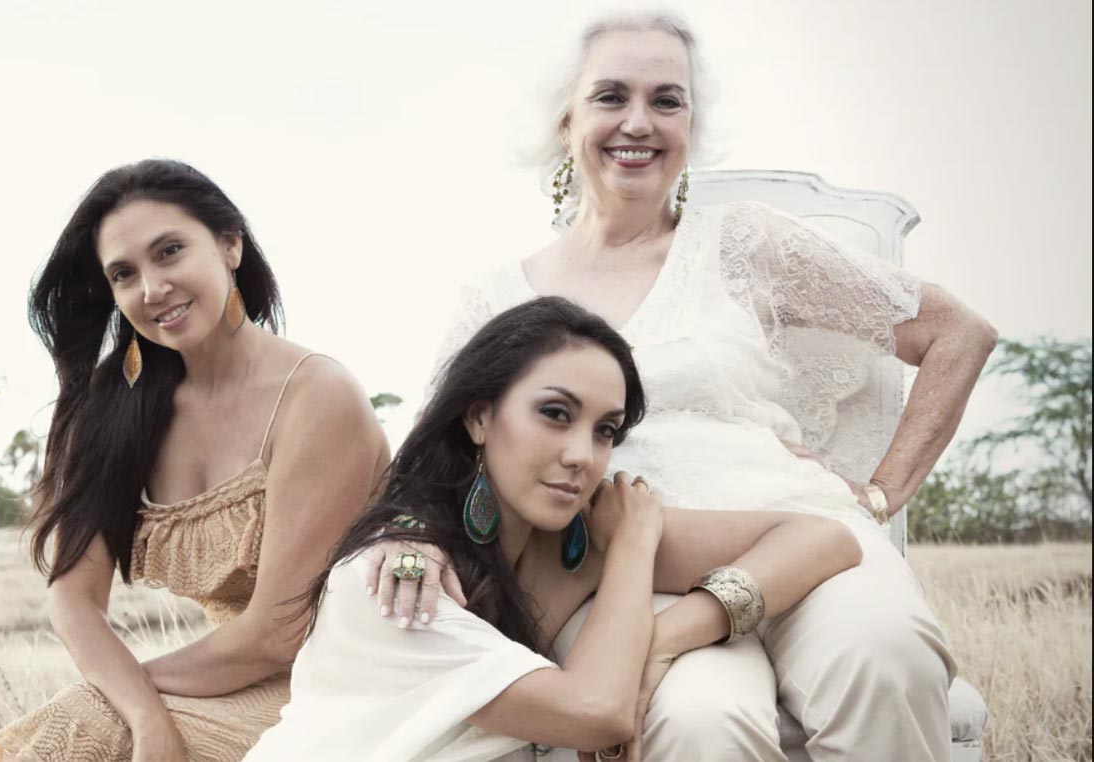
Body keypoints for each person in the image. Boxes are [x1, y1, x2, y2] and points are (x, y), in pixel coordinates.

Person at [370, 12, 997, 761]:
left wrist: (879, 493)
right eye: (611, 96)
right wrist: (410, 538)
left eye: (667, 101)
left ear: (691, 124)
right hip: (621, 577)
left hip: (798, 535)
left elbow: (958, 333)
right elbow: (430, 455)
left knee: (886, 654)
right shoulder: (498, 299)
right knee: (700, 723)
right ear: (567, 119)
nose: (639, 122)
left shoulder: (744, 244)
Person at [244, 296, 862, 762]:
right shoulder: (397, 579)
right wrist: (632, 548)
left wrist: (668, 635)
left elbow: (823, 538)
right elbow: (598, 712)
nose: (583, 456)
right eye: (554, 414)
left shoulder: (568, 542)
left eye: (605, 431)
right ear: (480, 416)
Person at [0, 159, 389, 761]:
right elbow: (74, 601)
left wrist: (123, 694)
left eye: (170, 251)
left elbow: (276, 636)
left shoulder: (315, 396)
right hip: (223, 686)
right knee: (90, 725)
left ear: (230, 245)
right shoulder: (114, 410)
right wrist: (145, 716)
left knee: (84, 723)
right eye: (125, 274)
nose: (151, 289)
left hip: (346, 688)